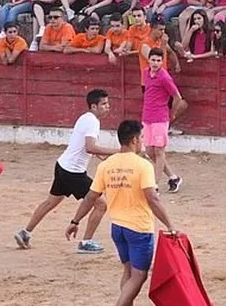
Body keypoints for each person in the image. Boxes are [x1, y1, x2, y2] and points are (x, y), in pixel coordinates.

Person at [66, 120, 176, 306]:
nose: (142, 142)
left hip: (117, 228)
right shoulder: (143, 166)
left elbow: (91, 197)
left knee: (128, 271)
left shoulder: (107, 165)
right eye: (141, 138)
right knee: (139, 275)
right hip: (139, 229)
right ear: (134, 140)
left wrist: (75, 221)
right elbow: (152, 199)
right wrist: (170, 225)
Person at [14, 89, 116, 253]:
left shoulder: (85, 118)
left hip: (63, 165)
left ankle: (25, 232)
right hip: (73, 172)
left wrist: (100, 155)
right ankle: (86, 242)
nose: (107, 107)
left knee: (51, 202)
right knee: (101, 204)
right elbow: (90, 147)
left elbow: (84, 145)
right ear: (94, 106)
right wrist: (118, 151)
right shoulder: (93, 122)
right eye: (104, 104)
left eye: (107, 103)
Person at [142, 48, 187, 193]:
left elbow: (177, 97)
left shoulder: (164, 77)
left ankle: (154, 185)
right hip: (147, 117)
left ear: (162, 61)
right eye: (153, 60)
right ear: (149, 60)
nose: (155, 63)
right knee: (149, 151)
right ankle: (173, 177)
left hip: (160, 117)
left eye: (158, 60)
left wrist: (171, 113)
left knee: (159, 151)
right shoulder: (146, 73)